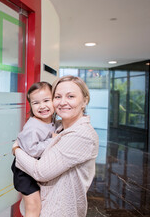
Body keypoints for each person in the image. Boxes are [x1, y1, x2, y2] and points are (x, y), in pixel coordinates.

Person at [13, 75, 99, 217]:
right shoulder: (58, 126)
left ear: (84, 101)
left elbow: (41, 172)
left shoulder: (82, 135)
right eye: (57, 97)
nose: (63, 102)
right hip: (43, 207)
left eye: (71, 96)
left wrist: (16, 150)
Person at [11, 81, 57, 217]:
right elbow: (32, 150)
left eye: (46, 100)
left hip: (32, 168)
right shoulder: (33, 126)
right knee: (33, 207)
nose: (42, 106)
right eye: (36, 103)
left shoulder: (52, 121)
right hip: (23, 172)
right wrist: (53, 140)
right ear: (30, 105)